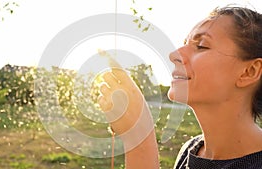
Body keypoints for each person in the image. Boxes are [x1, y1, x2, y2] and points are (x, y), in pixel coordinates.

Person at [98, 5, 262, 169]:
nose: (174, 55)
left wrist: (139, 137)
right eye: (185, 44)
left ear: (249, 71)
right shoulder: (193, 150)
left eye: (202, 45)